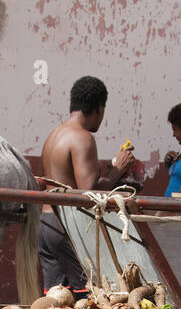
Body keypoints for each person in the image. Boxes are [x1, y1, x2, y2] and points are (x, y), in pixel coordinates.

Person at [38, 76, 136, 291]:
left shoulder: (54, 135)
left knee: (56, 299)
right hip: (67, 226)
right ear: (99, 108)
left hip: (45, 223)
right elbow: (88, 191)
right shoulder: (83, 138)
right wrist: (119, 169)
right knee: (88, 295)